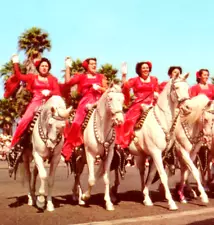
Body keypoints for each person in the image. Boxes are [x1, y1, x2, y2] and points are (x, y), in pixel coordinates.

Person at [6, 54, 61, 175]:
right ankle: (14, 148)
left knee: (61, 121)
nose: (44, 68)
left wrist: (50, 92)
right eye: (42, 66)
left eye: (46, 66)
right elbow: (19, 76)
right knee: (23, 121)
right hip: (36, 103)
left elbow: (57, 91)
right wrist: (15, 63)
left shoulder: (53, 80)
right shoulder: (32, 77)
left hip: (49, 104)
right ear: (39, 67)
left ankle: (63, 149)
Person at [61, 57, 108, 162]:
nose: (94, 65)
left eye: (95, 63)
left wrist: (99, 88)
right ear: (87, 66)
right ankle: (70, 148)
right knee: (76, 123)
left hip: (99, 101)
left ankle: (117, 147)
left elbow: (107, 90)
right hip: (86, 102)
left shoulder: (101, 77)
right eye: (91, 64)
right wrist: (67, 67)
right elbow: (68, 82)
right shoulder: (81, 77)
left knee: (114, 118)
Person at [116, 61, 159, 149]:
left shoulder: (154, 79)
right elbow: (126, 87)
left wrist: (156, 94)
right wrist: (124, 76)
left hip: (151, 104)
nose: (145, 69)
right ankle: (125, 143)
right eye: (143, 68)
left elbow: (157, 90)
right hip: (138, 104)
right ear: (139, 70)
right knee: (129, 121)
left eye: (147, 67)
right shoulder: (135, 80)